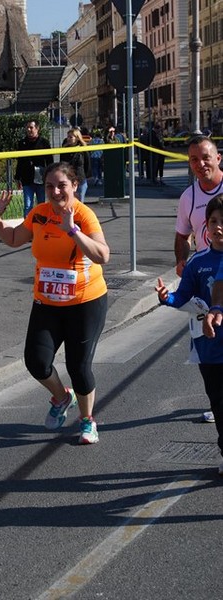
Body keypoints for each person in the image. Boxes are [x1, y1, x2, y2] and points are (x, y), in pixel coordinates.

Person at [0, 162, 109, 445]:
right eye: (49, 186)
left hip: (85, 301)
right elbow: (15, 238)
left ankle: (87, 421)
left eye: (61, 186)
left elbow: (103, 255)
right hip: (48, 301)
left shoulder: (84, 215)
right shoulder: (39, 214)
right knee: (36, 361)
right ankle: (61, 397)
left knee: (79, 367)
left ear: (74, 186)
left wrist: (73, 231)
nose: (55, 192)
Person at [156, 194, 223, 476]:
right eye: (214, 222)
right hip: (209, 346)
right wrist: (166, 297)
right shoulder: (197, 263)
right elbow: (183, 297)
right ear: (205, 228)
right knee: (218, 402)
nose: (219, 227)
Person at [175, 134, 223, 423]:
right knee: (210, 351)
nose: (200, 164)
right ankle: (218, 403)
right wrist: (181, 261)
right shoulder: (189, 197)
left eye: (206, 157)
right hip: (205, 284)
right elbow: (182, 235)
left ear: (218, 158)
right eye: (194, 159)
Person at [14, 120, 53, 217]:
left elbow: (49, 161)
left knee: (41, 204)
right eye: (27, 127)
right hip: (27, 179)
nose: (28, 129)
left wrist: (50, 177)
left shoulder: (44, 142)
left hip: (40, 178)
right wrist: (17, 177)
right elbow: (20, 161)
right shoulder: (22, 143)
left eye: (31, 127)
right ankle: (27, 227)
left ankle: (41, 225)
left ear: (37, 128)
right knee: (28, 205)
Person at [61, 128, 90, 202]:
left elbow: (87, 163)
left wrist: (86, 175)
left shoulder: (83, 149)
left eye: (71, 137)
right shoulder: (64, 148)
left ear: (77, 138)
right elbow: (61, 164)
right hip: (68, 179)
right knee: (68, 201)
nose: (68, 139)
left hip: (80, 179)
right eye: (68, 136)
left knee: (79, 202)